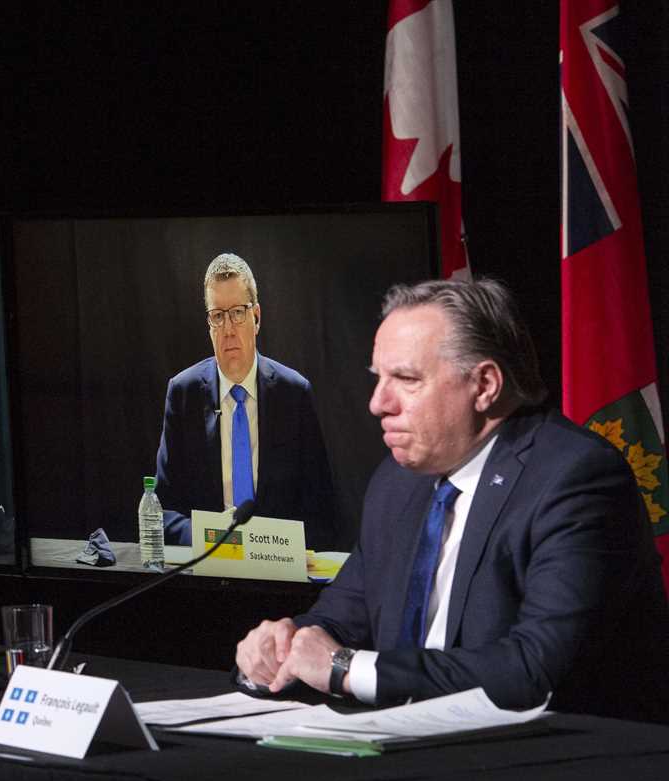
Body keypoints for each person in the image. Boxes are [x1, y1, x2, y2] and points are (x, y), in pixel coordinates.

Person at [234, 278, 669, 721]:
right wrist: (281, 646)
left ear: (484, 385)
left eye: (405, 379)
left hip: (552, 768)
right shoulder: (396, 482)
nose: (378, 403)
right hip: (410, 749)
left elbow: (535, 669)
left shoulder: (575, 477)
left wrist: (345, 668)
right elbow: (339, 619)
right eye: (378, 378)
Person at [155, 253, 336, 547]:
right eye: (218, 316)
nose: (228, 329)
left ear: (257, 317)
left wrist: (275, 547)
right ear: (209, 324)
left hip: (277, 573)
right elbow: (162, 509)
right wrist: (214, 539)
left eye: (238, 312)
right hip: (206, 569)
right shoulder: (183, 393)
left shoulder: (294, 394)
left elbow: (321, 509)